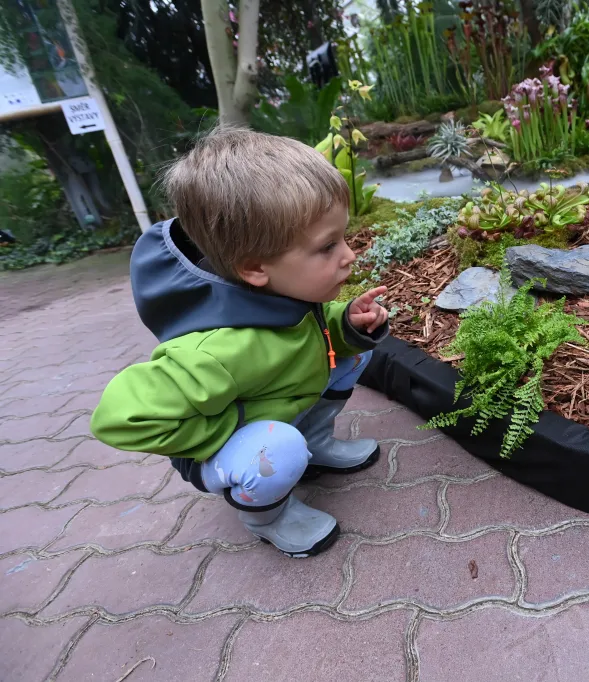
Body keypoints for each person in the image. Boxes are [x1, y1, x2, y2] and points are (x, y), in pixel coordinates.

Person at [91, 126, 389, 558]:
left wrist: (349, 324)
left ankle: (315, 446)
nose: (349, 256)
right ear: (254, 268)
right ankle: (267, 515)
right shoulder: (216, 351)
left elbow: (312, 333)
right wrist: (231, 430)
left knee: (357, 352)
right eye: (328, 247)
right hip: (246, 441)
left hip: (284, 403)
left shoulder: (281, 293)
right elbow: (117, 418)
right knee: (279, 449)